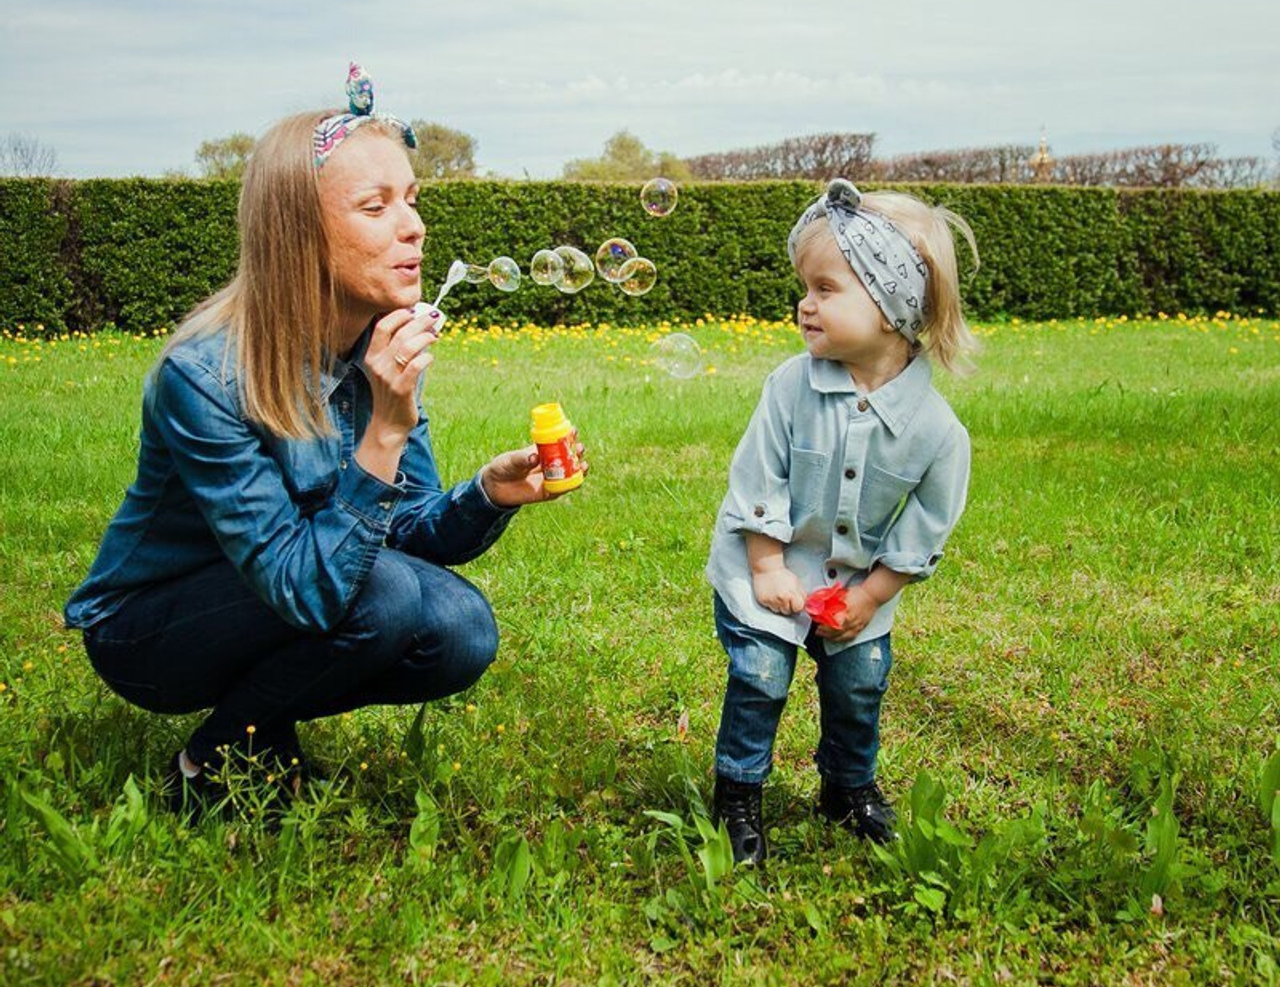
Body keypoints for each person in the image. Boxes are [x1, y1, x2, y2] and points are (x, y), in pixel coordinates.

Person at [63, 64, 583, 814]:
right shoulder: (205, 376)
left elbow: (400, 527)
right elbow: (307, 589)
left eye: (411, 199)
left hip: (289, 593)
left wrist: (485, 496)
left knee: (463, 629)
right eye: (376, 206)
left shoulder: (377, 343)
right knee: (388, 596)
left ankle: (258, 726)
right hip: (153, 631)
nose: (414, 226)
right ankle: (208, 764)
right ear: (297, 234)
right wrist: (382, 433)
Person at [704, 179, 976, 864]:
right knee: (762, 676)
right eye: (805, 286)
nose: (804, 303)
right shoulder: (789, 387)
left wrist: (870, 597)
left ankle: (846, 789)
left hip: (858, 586)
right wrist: (767, 565)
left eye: (826, 288)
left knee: (859, 686)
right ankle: (737, 793)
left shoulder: (937, 433)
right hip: (764, 570)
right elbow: (758, 478)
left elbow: (925, 530)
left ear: (892, 306)